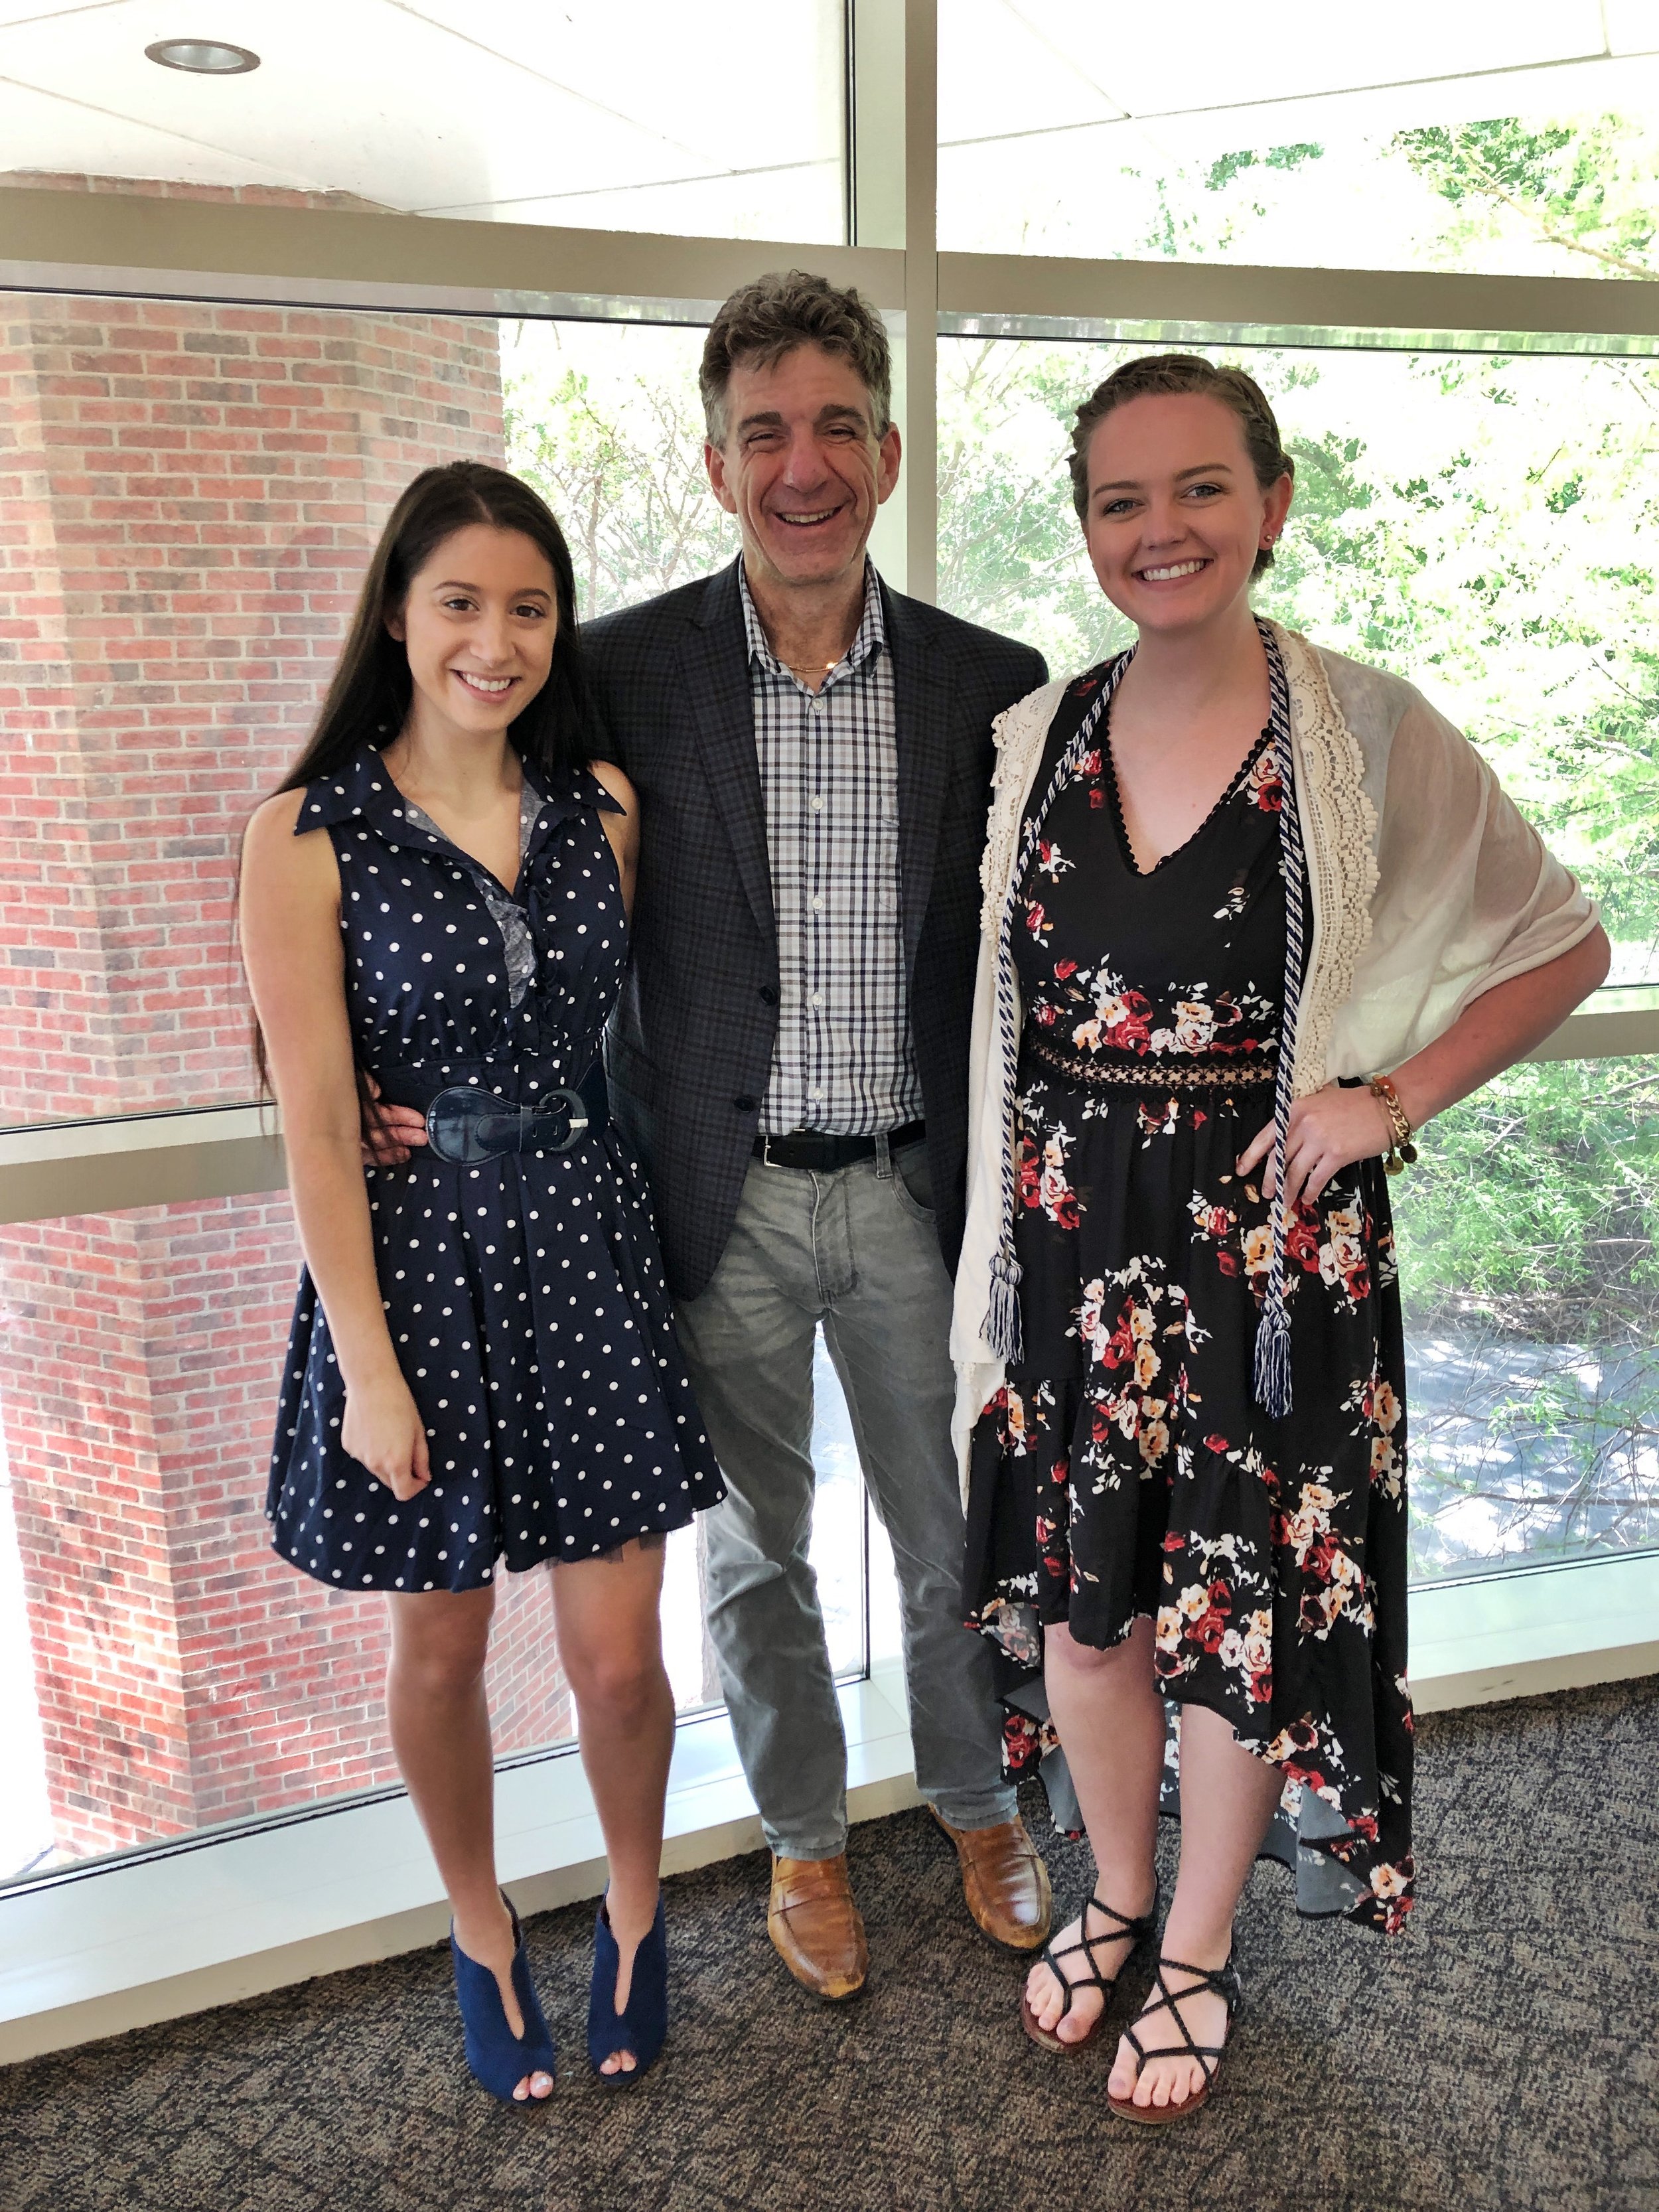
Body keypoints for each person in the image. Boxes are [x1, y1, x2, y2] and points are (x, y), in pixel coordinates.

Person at [950, 354, 1609, 2124]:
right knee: (1091, 1617)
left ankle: (1194, 1946)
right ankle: (1108, 1886)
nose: (1157, 529)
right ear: (1086, 525)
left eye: (1195, 490)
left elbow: (1560, 943)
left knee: (1228, 1619)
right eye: (1118, 499)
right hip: (1075, 1243)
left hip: (1267, 1259)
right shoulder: (1039, 738)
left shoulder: (1365, 726)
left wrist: (1385, 1099)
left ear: (1270, 502)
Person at [549, 269, 1050, 1998]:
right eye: (764, 429)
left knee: (952, 1541)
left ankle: (980, 1802)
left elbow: (1023, 950)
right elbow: (522, 890)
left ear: (889, 452)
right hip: (727, 1202)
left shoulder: (998, 688)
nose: (802, 460)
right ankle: (805, 1840)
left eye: (835, 423)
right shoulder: (614, 675)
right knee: (753, 1553)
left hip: (918, 1193)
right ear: (714, 465)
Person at [241, 461, 725, 2107]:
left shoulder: (601, 804)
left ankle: (637, 1915)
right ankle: (477, 1926)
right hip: (415, 1276)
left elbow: (618, 1034)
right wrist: (368, 1369)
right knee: (441, 1653)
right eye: (460, 601)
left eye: (528, 606)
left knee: (614, 1654)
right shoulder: (307, 835)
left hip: (582, 1249)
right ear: (397, 611)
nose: (495, 639)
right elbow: (314, 1121)